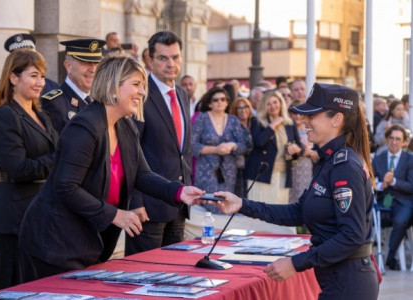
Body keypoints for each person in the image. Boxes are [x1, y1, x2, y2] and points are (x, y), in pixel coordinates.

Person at [18, 54, 205, 281]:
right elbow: (66, 187)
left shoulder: (126, 125)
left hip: (89, 241)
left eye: (143, 86)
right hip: (56, 242)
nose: (142, 92)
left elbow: (142, 175)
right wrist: (115, 214)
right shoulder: (84, 127)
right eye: (136, 85)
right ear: (113, 85)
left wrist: (178, 191)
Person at [212, 83, 379, 300]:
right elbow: (298, 212)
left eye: (313, 116)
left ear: (336, 120)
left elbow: (351, 236)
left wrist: (296, 263)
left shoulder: (344, 166)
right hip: (336, 277)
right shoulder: (329, 160)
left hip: (348, 281)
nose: (304, 121)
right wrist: (243, 205)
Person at [0, 49, 58, 290]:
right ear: (14, 78)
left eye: (43, 76)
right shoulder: (5, 115)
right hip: (15, 215)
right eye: (34, 76)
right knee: (13, 286)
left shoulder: (42, 115)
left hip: (42, 213)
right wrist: (58, 160)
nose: (41, 83)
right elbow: (17, 168)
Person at [125, 31, 193, 256]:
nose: (170, 64)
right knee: (143, 276)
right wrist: (134, 201)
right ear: (150, 60)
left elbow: (182, 151)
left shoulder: (182, 95)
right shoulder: (140, 95)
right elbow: (130, 153)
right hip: (147, 208)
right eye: (163, 58)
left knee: (175, 275)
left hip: (178, 205)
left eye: (175, 57)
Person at [245, 90, 303, 206]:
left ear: (281, 103)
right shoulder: (257, 121)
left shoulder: (289, 123)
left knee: (279, 211)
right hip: (261, 174)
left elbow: (300, 147)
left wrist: (296, 149)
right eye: (269, 104)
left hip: (283, 174)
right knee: (259, 211)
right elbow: (259, 142)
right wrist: (272, 125)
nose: (273, 106)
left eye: (275, 102)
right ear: (264, 106)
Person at [191, 87, 251, 199]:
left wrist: (232, 145)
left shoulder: (233, 120)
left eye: (223, 99)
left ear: (227, 102)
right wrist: (215, 150)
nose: (220, 102)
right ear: (209, 103)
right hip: (206, 170)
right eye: (216, 100)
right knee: (207, 204)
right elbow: (192, 145)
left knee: (225, 205)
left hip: (228, 172)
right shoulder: (202, 119)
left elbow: (243, 146)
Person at [372, 124, 413, 270]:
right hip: (383, 201)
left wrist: (393, 181)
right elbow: (371, 181)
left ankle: (390, 256)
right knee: (369, 219)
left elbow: (411, 185)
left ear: (404, 142)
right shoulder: (378, 158)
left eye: (398, 139)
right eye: (391, 138)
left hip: (404, 202)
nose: (394, 142)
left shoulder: (410, 159)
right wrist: (381, 184)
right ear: (387, 139)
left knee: (401, 220)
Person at [42, 38, 105, 133]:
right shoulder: (54, 104)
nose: (93, 70)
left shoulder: (101, 101)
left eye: (97, 63)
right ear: (68, 66)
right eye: (86, 63)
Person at [0, 33, 60, 106]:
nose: (25, 59)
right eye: (19, 57)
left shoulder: (53, 86)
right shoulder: (0, 86)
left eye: (28, 54)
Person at [288, 100, 318, 204]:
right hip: (289, 167)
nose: (298, 116)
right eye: (294, 113)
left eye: (301, 113)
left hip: (305, 167)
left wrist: (309, 152)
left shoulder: (310, 129)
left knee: (302, 194)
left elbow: (318, 154)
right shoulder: (287, 129)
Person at [229, 97, 255, 196]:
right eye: (239, 108)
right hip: (238, 168)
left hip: (253, 166)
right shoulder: (233, 126)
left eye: (245, 107)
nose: (243, 110)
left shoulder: (255, 123)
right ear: (235, 110)